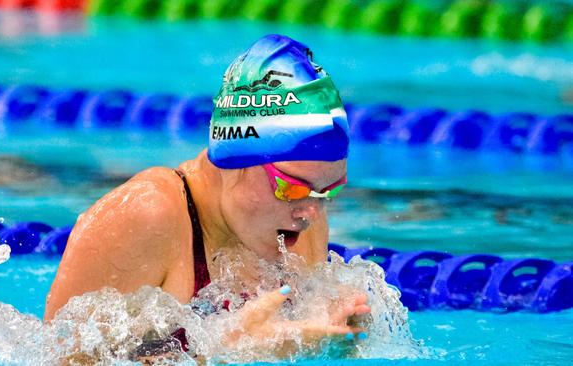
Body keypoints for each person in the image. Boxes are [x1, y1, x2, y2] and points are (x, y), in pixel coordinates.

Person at [44, 34, 370, 353]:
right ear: (235, 160)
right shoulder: (148, 216)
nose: (311, 212)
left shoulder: (302, 225)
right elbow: (57, 360)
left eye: (328, 191)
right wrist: (223, 352)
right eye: (292, 188)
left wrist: (337, 340)